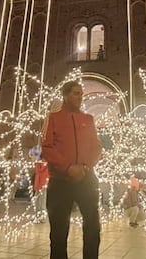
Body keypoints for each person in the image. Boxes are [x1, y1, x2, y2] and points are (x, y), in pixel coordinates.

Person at [41, 81, 102, 259]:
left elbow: (96, 148)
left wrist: (84, 167)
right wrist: (67, 168)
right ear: (65, 96)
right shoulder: (53, 118)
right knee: (59, 230)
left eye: (81, 94)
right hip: (60, 181)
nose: (80, 97)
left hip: (87, 179)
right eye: (76, 93)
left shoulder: (88, 119)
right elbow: (46, 147)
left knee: (93, 225)